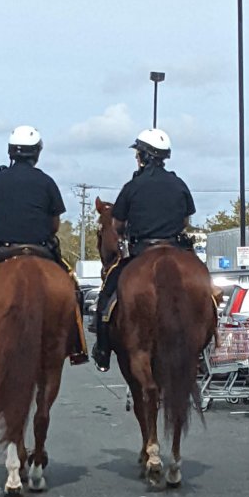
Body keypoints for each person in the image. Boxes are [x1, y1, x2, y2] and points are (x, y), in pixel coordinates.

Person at [0, 125, 88, 365]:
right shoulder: (46, 181)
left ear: (10, 152)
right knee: (74, 291)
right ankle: (77, 346)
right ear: (37, 153)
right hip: (42, 249)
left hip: (5, 250)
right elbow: (54, 223)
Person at [91, 128, 196, 372]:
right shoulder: (179, 184)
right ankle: (203, 349)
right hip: (176, 249)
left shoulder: (132, 186)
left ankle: (103, 350)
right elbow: (185, 221)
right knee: (209, 294)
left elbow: (117, 224)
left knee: (106, 298)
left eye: (138, 153)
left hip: (141, 251)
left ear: (143, 156)